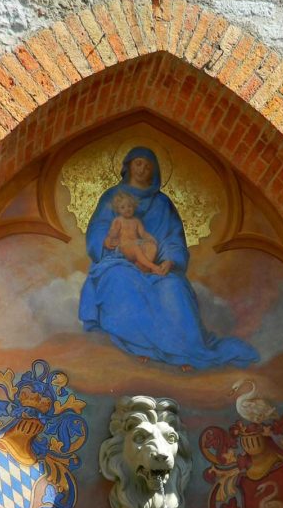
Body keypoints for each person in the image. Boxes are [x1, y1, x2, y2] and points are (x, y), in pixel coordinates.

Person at [78, 146, 259, 371]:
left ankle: (186, 352)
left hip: (156, 267)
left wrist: (169, 261)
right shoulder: (112, 197)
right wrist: (107, 244)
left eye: (147, 165)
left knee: (174, 288)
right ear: (128, 166)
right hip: (119, 261)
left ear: (155, 172)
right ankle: (139, 347)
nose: (142, 169)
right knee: (119, 280)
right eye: (138, 163)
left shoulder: (162, 203)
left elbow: (171, 237)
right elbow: (98, 229)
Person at [105, 191, 164, 275]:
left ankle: (142, 267)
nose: (127, 209)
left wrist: (150, 238)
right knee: (136, 248)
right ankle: (153, 267)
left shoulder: (136, 221)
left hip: (137, 244)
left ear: (134, 207)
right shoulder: (118, 220)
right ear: (118, 209)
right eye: (123, 207)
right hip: (125, 246)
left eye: (129, 206)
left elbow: (143, 233)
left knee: (152, 246)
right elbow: (112, 235)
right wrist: (114, 231)